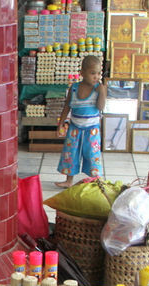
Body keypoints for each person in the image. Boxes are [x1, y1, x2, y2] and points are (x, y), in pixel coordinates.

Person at [55, 55, 107, 188]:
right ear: (82, 73)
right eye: (92, 73)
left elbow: (100, 107)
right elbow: (67, 106)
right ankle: (69, 180)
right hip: (74, 128)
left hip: (92, 129)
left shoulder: (98, 89)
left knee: (92, 155)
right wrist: (61, 123)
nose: (96, 77)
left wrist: (102, 92)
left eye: (98, 73)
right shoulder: (74, 88)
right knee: (71, 154)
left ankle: (95, 180)